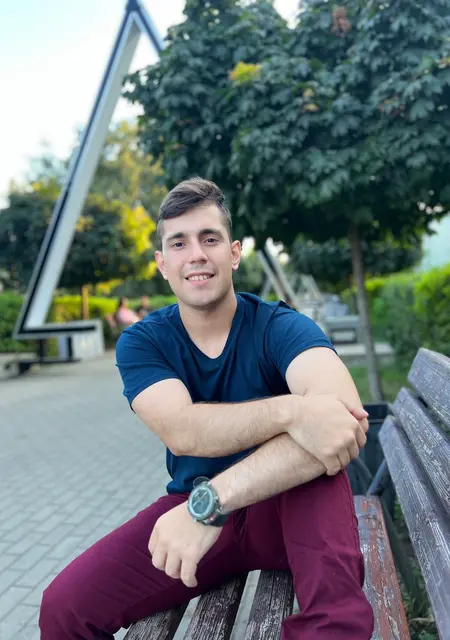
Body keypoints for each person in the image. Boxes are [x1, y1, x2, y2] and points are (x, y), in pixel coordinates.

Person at [39, 178, 374, 639]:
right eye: (179, 243)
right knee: (64, 607)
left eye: (209, 238)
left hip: (286, 512)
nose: (195, 254)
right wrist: (294, 414)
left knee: (322, 465)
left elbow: (345, 422)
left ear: (234, 253)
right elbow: (184, 430)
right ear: (163, 264)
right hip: (194, 517)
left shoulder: (280, 327)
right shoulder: (145, 341)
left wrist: (211, 503)